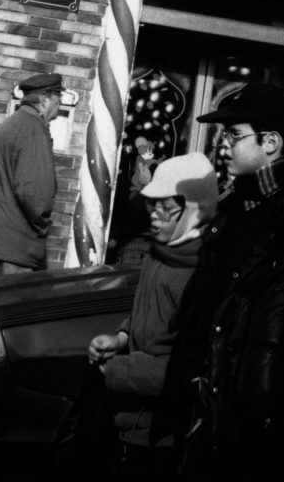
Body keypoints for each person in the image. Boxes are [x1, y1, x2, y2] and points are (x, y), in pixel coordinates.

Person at [155, 83, 284, 472]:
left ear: (271, 142)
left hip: (248, 420)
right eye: (222, 135)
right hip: (203, 408)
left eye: (233, 134)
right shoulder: (232, 208)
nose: (222, 145)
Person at [86, 153, 218, 473]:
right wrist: (120, 336)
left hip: (162, 434)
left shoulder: (199, 273)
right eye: (152, 206)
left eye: (165, 208)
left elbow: (184, 364)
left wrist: (116, 370)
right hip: (131, 421)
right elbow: (145, 312)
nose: (154, 217)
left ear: (193, 211)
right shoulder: (159, 252)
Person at [0, 71, 63, 276]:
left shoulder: (8, 126)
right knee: (12, 306)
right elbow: (35, 193)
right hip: (14, 246)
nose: (58, 109)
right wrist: (43, 227)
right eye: (57, 102)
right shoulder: (34, 130)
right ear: (44, 101)